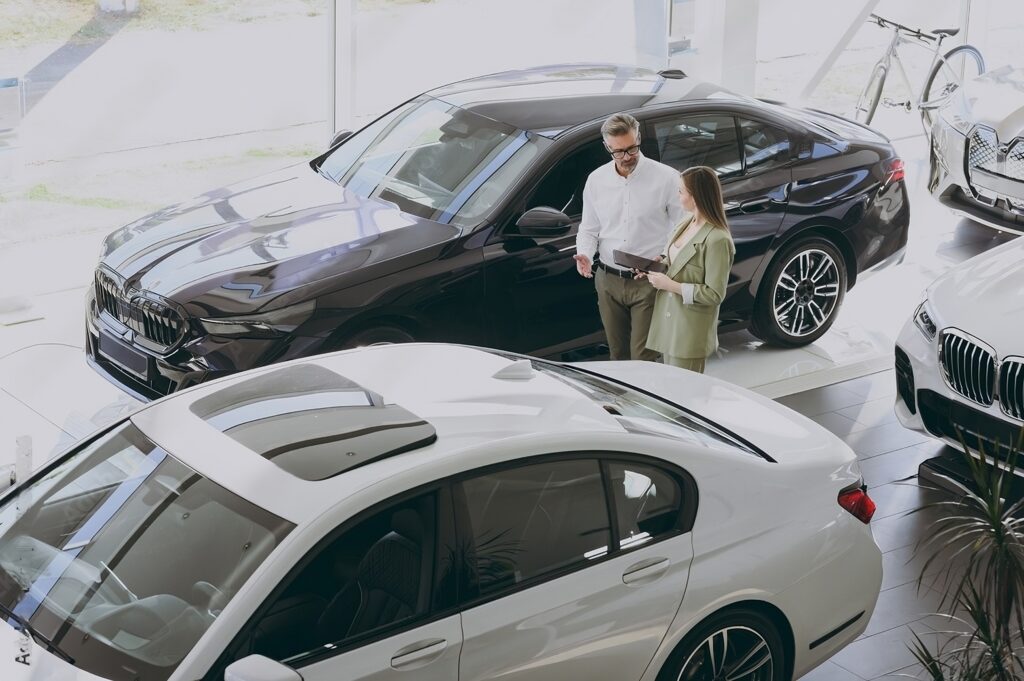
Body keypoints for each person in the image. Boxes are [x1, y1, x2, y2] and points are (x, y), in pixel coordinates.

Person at [574, 113, 685, 361]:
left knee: (644, 358)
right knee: (618, 356)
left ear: (639, 139)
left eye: (632, 148)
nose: (627, 157)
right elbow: (589, 228)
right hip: (607, 280)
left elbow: (684, 227)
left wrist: (666, 257)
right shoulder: (596, 181)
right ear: (607, 147)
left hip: (648, 279)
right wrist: (584, 253)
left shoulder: (667, 178)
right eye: (619, 151)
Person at [643, 166, 735, 373]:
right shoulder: (686, 222)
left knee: (685, 395)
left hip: (689, 331)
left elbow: (714, 294)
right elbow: (676, 260)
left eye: (681, 191)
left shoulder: (718, 240)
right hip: (670, 324)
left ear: (697, 196)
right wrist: (657, 264)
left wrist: (670, 285)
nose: (678, 196)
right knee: (671, 392)